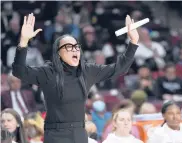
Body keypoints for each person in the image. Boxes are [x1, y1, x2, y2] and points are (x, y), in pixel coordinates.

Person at [12, 13, 139, 143]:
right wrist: (23, 42)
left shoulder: (87, 71)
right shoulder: (48, 73)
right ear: (58, 53)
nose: (74, 50)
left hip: (79, 134)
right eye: (68, 47)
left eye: (76, 47)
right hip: (55, 135)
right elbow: (19, 71)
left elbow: (119, 68)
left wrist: (133, 42)